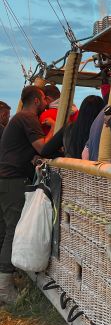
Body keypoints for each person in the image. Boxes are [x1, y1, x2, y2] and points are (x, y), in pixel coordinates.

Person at [0, 86, 51, 304]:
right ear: (38, 100)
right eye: (45, 100)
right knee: (13, 230)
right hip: (13, 180)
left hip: (5, 179)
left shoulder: (19, 118)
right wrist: (56, 129)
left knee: (5, 230)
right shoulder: (28, 117)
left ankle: (6, 280)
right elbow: (43, 147)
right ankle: (4, 289)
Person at [41, 95, 105, 159]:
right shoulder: (102, 131)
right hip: (93, 167)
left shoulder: (68, 129)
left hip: (70, 167)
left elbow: (45, 152)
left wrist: (66, 155)